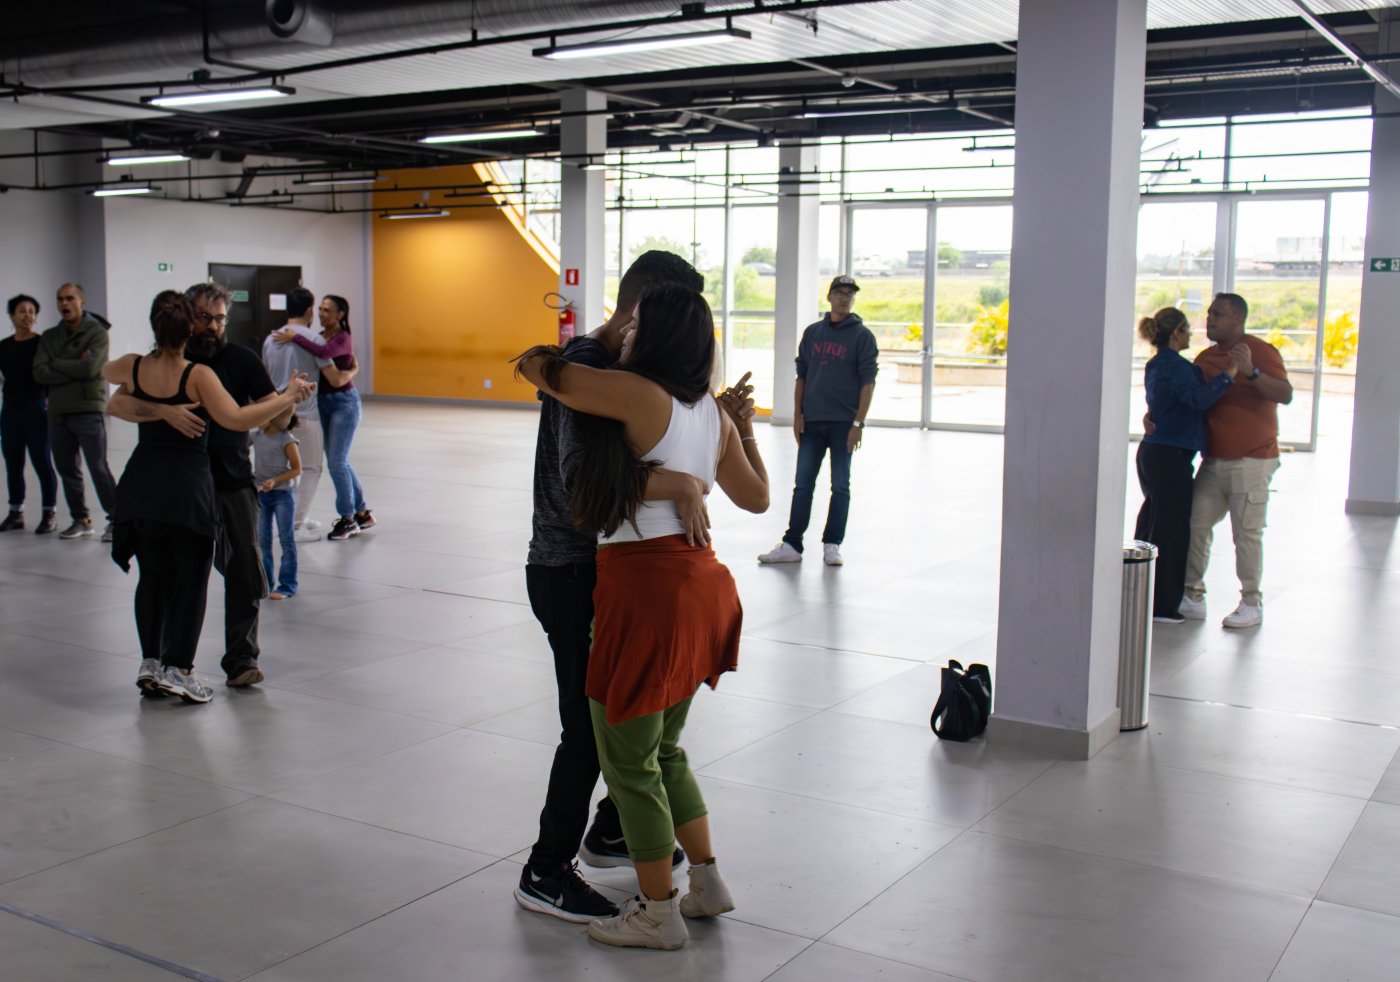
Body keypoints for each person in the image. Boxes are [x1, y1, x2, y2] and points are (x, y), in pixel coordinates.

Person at [515, 283, 770, 951]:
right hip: (704, 587)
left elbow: (540, 370)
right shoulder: (711, 414)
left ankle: (658, 913)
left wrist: (570, 351)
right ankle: (705, 881)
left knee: (629, 764)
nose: (624, 334)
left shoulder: (635, 394)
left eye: (634, 327)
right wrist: (738, 429)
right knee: (665, 749)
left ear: (654, 336)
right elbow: (758, 498)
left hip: (646, 591)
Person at [514, 250, 708, 926]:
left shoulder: (621, 371)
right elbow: (582, 490)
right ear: (641, 311)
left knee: (628, 719)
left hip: (607, 572)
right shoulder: (589, 370)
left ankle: (613, 830)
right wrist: (678, 483)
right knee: (588, 732)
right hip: (571, 571)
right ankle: (545, 870)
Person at [104, 291, 312, 703]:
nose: (212, 325)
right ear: (187, 321)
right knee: (181, 578)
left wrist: (285, 403)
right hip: (185, 486)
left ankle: (228, 660)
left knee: (231, 572)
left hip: (216, 481)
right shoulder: (188, 370)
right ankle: (173, 666)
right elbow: (234, 417)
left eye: (219, 318)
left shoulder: (228, 361)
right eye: (203, 317)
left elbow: (112, 387)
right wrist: (165, 410)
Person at [1179, 293, 1292, 629]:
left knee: (1246, 533)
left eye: (1218, 314)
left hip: (1253, 459)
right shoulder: (1205, 358)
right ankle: (1192, 596)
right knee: (1195, 524)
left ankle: (1251, 602)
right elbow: (1195, 400)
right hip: (1214, 460)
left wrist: (1251, 372)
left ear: (1238, 319)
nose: (1210, 319)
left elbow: (1285, 394)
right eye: (1209, 313)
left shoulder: (1261, 352)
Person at [758, 274, 878, 567]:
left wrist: (858, 424)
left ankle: (832, 544)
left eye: (850, 293)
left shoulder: (862, 337)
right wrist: (797, 415)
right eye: (840, 292)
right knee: (803, 484)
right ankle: (792, 543)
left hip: (843, 424)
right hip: (812, 423)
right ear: (829, 296)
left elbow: (868, 383)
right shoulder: (813, 333)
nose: (845, 298)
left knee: (840, 485)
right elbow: (802, 375)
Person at [1133, 307, 1239, 624]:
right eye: (1187, 329)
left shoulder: (1157, 364)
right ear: (1177, 333)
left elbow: (1164, 404)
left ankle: (1144, 596)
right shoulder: (1176, 366)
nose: (1192, 333)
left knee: (1154, 524)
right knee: (1172, 531)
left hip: (1155, 452)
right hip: (1169, 455)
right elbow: (1197, 399)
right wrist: (1229, 374)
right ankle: (1162, 606)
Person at [272, 294, 373, 541]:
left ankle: (348, 519)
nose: (322, 313)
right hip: (324, 403)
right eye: (320, 309)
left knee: (336, 462)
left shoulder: (342, 337)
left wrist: (295, 337)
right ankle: (362, 513)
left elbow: (325, 353)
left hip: (344, 403)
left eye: (327, 310)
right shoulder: (319, 336)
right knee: (340, 460)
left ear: (340, 314)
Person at [30, 283, 118, 541]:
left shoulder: (97, 333)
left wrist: (56, 363)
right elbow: (39, 372)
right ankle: (81, 520)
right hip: (58, 413)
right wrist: (76, 363)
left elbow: (90, 369)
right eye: (60, 299)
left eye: (70, 298)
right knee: (67, 470)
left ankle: (118, 520)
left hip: (88, 410)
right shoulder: (50, 336)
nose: (64, 304)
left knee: (98, 468)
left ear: (82, 301)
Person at [262, 287, 341, 543]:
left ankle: (294, 518)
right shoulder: (314, 340)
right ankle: (295, 525)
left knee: (288, 468)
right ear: (309, 311)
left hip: (277, 413)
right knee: (311, 468)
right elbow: (334, 378)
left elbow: (265, 376)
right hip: (306, 413)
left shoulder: (271, 339)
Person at [0, 294, 59, 534]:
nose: (27, 315)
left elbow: (51, 374)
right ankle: (16, 513)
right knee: (12, 462)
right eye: (22, 311)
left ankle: (49, 513)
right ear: (12, 316)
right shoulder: (4, 346)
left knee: (42, 461)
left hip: (36, 407)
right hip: (10, 409)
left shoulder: (42, 343)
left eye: (32, 311)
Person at [253, 412, 303, 600]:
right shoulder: (256, 435)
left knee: (286, 539)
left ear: (275, 419)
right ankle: (265, 582)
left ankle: (288, 585)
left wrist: (275, 480)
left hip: (282, 495)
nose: (257, 420)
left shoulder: (287, 440)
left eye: (261, 416)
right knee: (263, 539)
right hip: (261, 494)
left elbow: (297, 469)